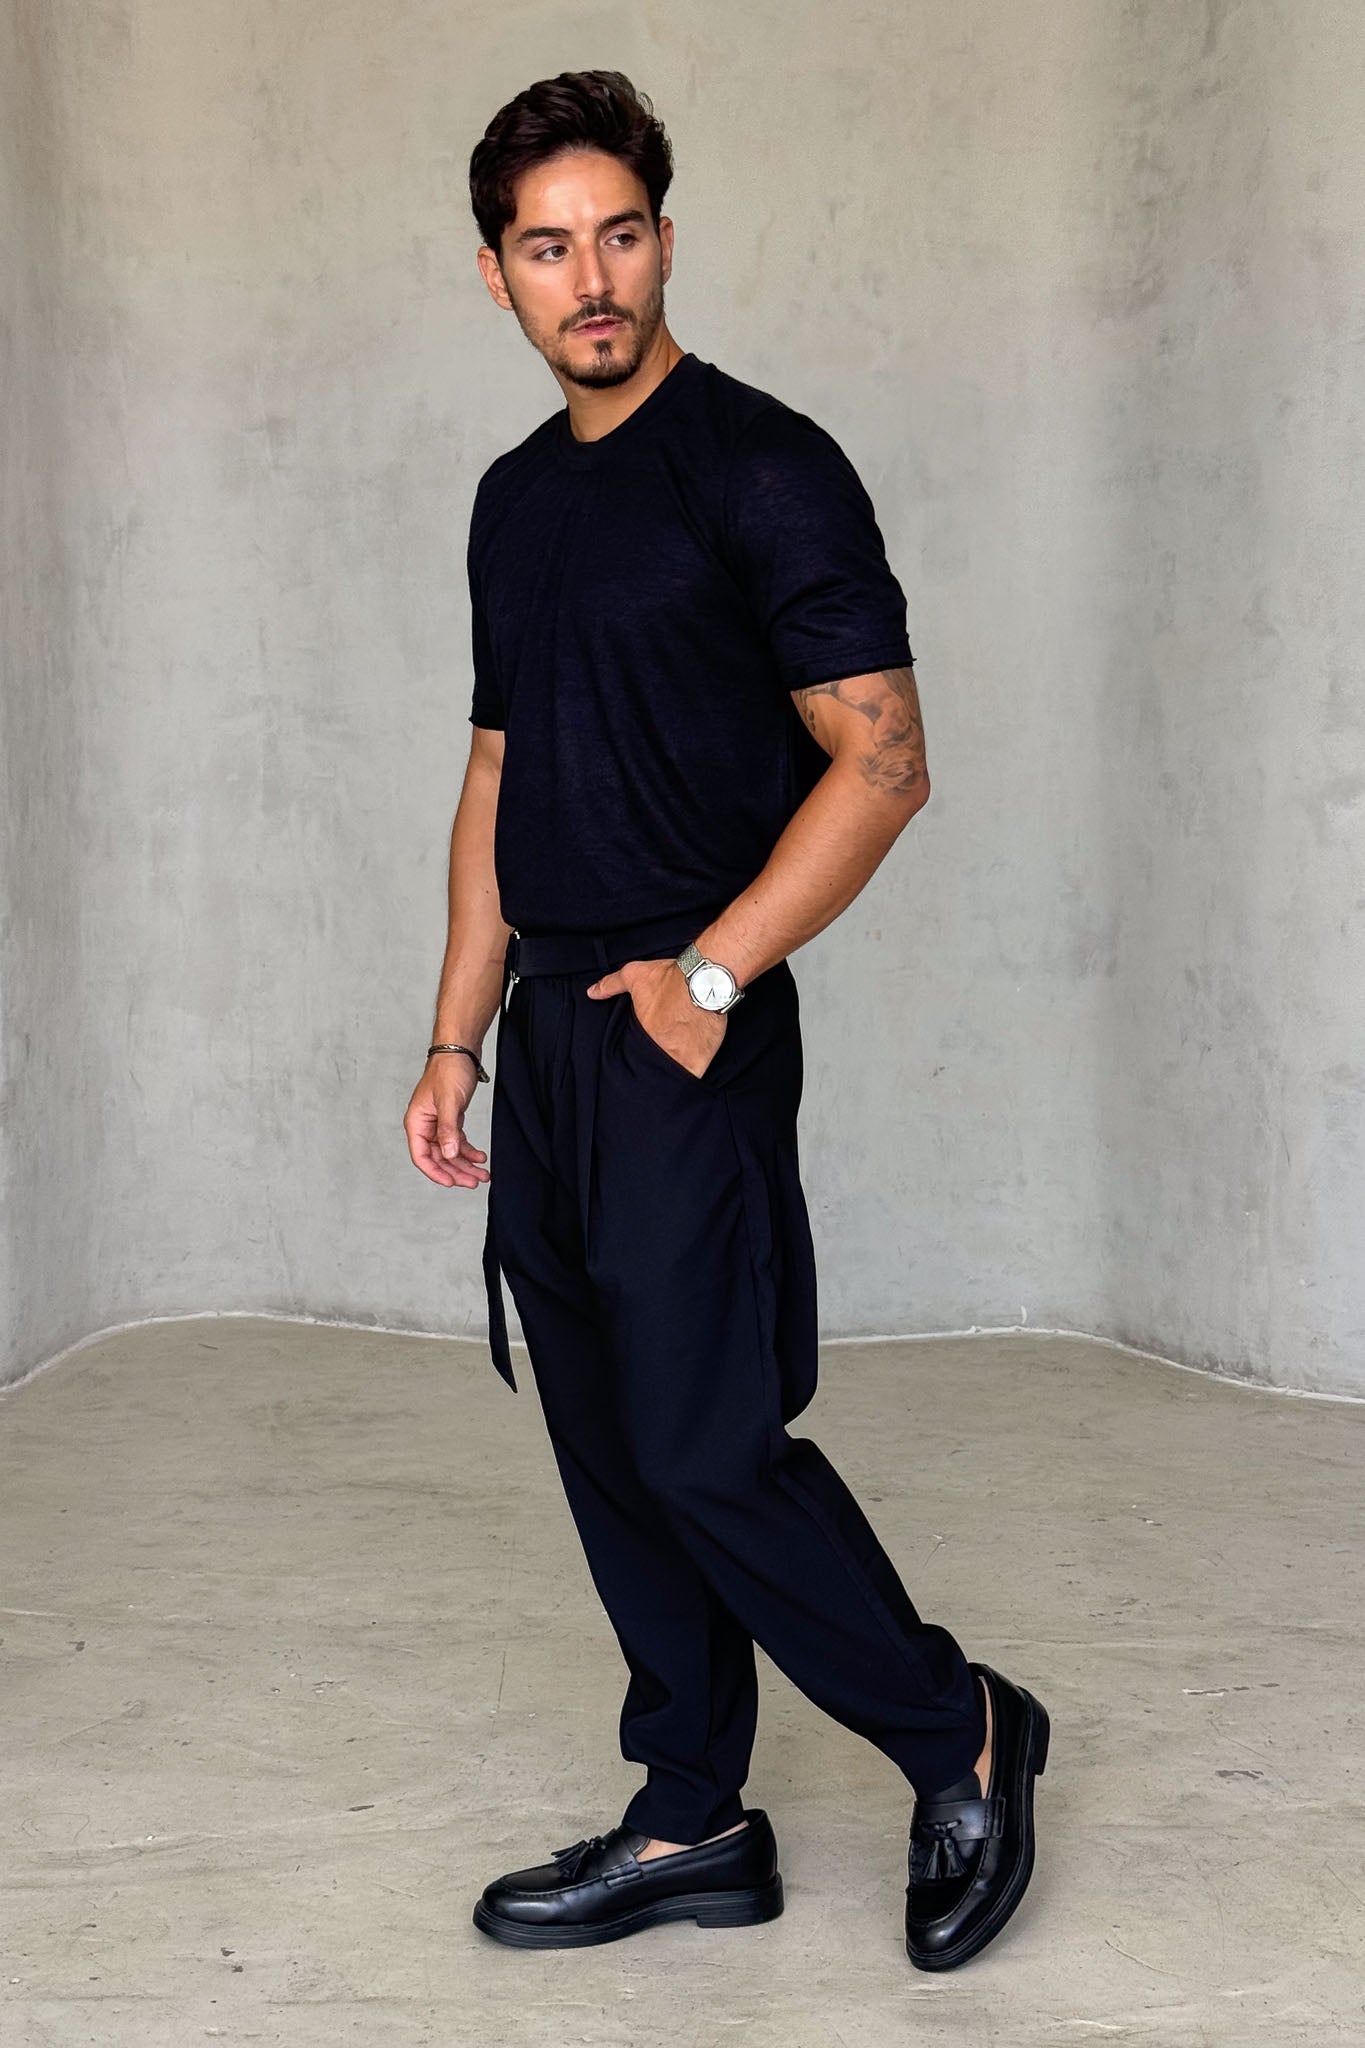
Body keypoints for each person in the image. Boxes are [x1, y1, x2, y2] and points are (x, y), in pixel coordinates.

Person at [403, 68, 1049, 1972]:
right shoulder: (516, 500)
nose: (588, 278)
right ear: (495, 275)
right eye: (546, 248)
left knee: (704, 1444)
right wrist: (454, 1038)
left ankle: (962, 1731)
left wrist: (708, 978)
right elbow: (496, 779)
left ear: (665, 243)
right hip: (552, 1030)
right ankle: (693, 1813)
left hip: (686, 1018)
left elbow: (885, 759)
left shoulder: (762, 465)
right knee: (608, 1442)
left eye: (617, 235)